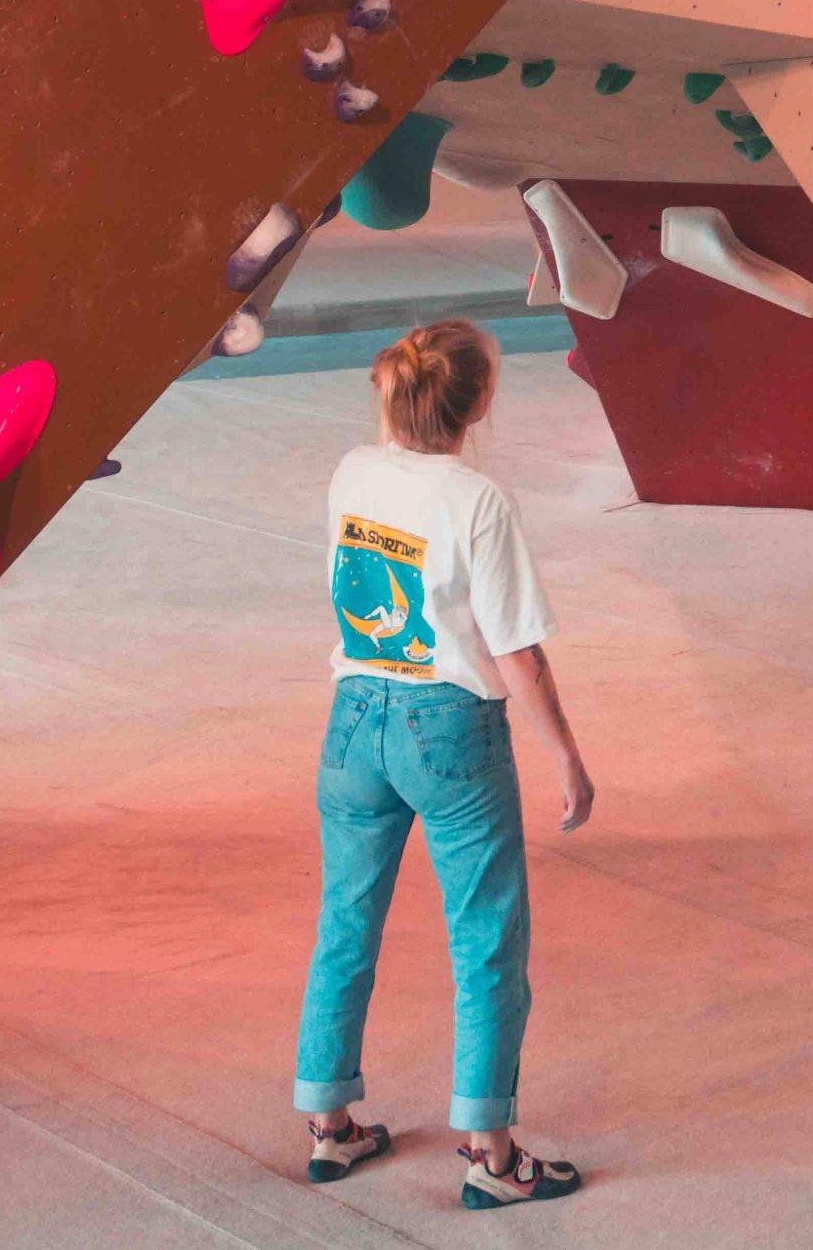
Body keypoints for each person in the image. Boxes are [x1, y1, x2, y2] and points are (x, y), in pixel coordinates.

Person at [293, 319, 594, 1211]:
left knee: (345, 922)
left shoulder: (354, 471)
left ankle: (330, 1124)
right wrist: (566, 758)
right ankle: (491, 1155)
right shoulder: (477, 500)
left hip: (352, 721)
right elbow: (515, 653)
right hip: (449, 730)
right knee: (486, 935)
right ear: (481, 404)